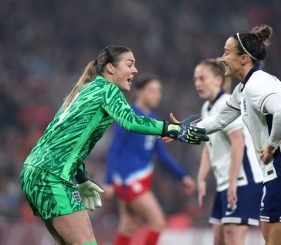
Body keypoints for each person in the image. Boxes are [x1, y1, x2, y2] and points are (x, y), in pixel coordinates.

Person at [19, 45, 207, 245]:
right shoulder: (108, 90)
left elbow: (65, 137)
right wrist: (174, 130)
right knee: (86, 242)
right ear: (110, 68)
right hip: (52, 175)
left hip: (35, 170)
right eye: (130, 64)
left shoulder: (85, 90)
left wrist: (81, 178)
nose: (135, 70)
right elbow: (132, 122)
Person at [179, 25, 281, 245]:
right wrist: (179, 130)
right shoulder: (244, 89)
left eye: (227, 52)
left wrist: (271, 144)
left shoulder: (257, 85)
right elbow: (219, 120)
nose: (222, 58)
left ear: (244, 59)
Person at [103, 74, 196, 245]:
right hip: (128, 180)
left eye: (159, 91)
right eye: (152, 91)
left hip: (139, 180)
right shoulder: (128, 115)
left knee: (128, 227)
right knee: (158, 221)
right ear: (139, 92)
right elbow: (114, 149)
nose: (157, 95)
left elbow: (161, 153)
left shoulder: (152, 118)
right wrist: (108, 181)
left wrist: (182, 176)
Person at [194, 58, 263, 245]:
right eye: (195, 79)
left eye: (202, 78)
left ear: (217, 80)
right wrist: (201, 178)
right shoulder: (206, 108)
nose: (197, 83)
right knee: (218, 239)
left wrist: (232, 181)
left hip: (242, 179)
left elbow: (238, 142)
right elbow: (209, 148)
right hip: (225, 183)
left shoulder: (227, 103)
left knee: (233, 238)